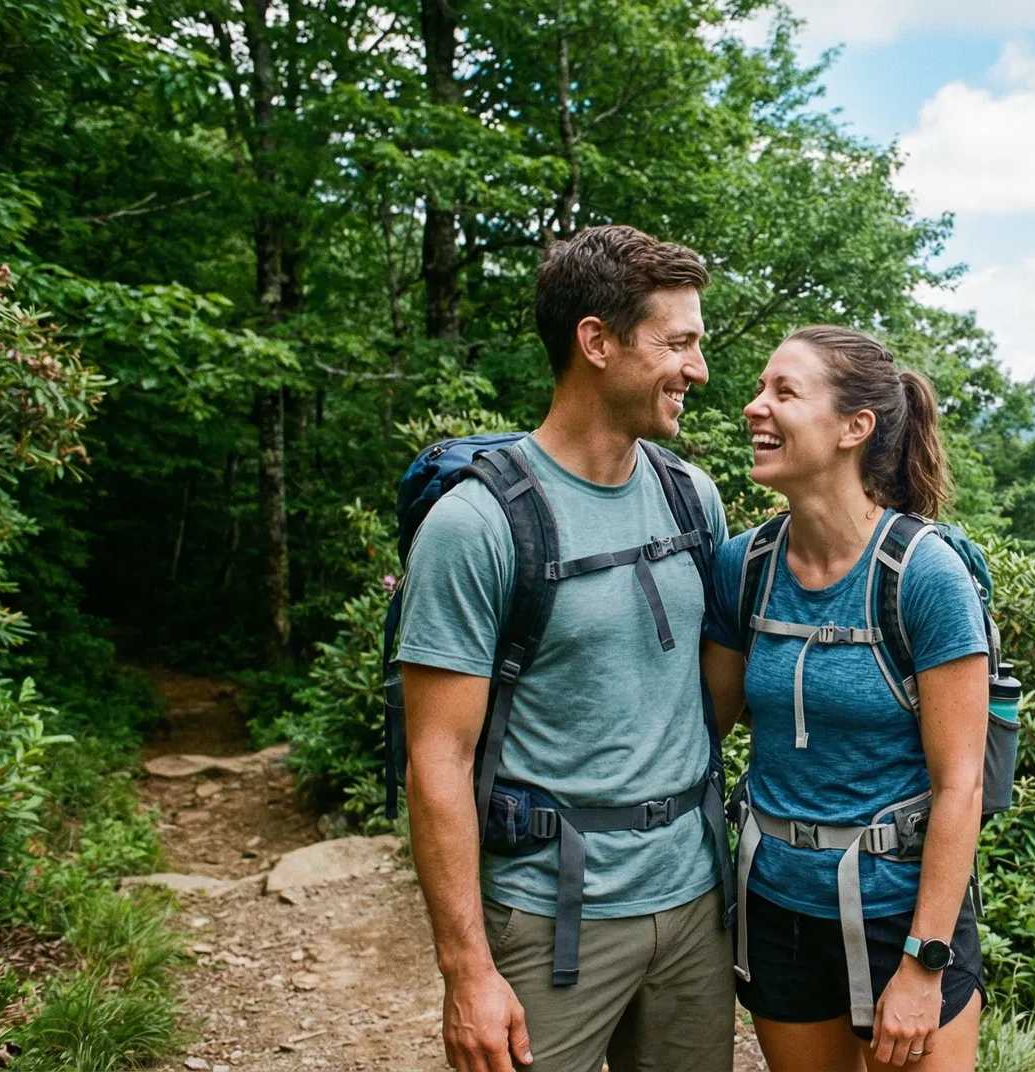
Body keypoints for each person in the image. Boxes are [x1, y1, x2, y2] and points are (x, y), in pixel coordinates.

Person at [398, 225, 735, 1072]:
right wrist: (467, 970)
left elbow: (711, 696)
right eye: (679, 343)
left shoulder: (694, 497)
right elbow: (438, 756)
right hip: (548, 915)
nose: (698, 368)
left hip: (696, 903)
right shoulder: (475, 524)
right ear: (596, 341)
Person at [702, 326, 989, 1071]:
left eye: (784, 393)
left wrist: (925, 965)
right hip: (778, 910)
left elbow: (961, 784)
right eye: (761, 389)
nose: (754, 407)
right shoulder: (745, 567)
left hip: (902, 912)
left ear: (854, 428)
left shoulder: (922, 576)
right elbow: (704, 724)